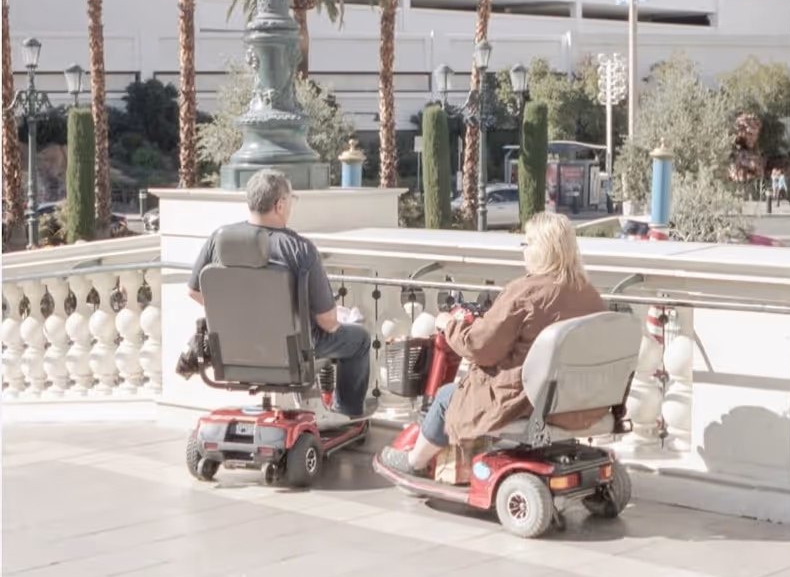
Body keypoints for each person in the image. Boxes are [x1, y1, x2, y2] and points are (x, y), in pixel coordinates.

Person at [380, 212, 607, 476]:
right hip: (578, 399)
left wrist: (448, 324)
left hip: (526, 399)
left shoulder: (526, 292)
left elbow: (481, 348)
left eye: (528, 243)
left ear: (543, 250)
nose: (524, 250)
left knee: (445, 398)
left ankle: (414, 463)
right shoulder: (588, 292)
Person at [187, 168, 371, 419]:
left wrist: (239, 319)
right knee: (359, 338)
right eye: (291, 200)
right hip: (294, 348)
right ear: (280, 204)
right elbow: (328, 322)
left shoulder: (219, 240)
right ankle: (348, 413)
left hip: (235, 346)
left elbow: (194, 291)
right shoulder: (300, 249)